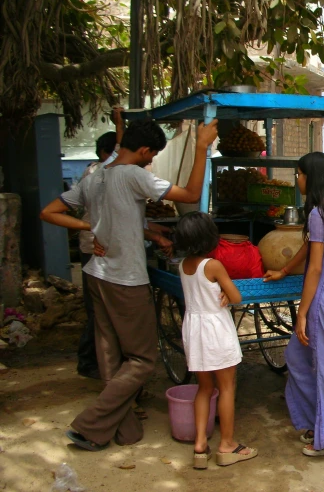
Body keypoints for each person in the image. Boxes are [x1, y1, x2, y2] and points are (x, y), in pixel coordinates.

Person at [40, 117, 218, 451]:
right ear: (144, 150)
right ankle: (88, 425)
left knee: (110, 355)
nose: (151, 161)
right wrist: (201, 146)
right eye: (151, 155)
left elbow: (49, 212)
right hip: (125, 279)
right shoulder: (135, 175)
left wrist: (88, 228)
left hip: (96, 275)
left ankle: (122, 429)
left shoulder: (95, 177)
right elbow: (192, 194)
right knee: (141, 359)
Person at [263, 152, 324, 457]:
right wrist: (285, 269)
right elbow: (309, 247)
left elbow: (315, 268)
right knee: (296, 356)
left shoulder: (319, 213)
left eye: (300, 175)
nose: (297, 180)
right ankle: (315, 421)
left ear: (311, 178)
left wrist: (301, 313)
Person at [174, 212, 257, 469]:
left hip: (194, 329)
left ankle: (200, 445)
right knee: (227, 387)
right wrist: (224, 290)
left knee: (205, 388)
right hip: (215, 329)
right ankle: (227, 445)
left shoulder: (183, 265)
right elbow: (236, 297)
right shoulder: (212, 265)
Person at [76, 108, 125, 380]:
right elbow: (120, 156)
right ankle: (89, 362)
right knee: (98, 311)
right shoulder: (99, 171)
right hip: (95, 247)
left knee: (97, 310)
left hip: (93, 245)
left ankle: (91, 360)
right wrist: (120, 125)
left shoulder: (92, 171)